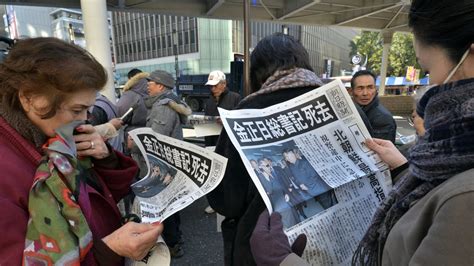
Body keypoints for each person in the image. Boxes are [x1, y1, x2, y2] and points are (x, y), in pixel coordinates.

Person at [250, 0, 474, 265]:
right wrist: (405, 170)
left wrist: (283, 262)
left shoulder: (465, 199)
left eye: (429, 70)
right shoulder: (451, 158)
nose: (429, 90)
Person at [0, 37, 163, 265]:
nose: (84, 119)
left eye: (88, 109)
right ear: (29, 98)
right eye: (77, 109)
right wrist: (108, 251)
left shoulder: (56, 137)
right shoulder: (8, 164)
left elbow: (105, 196)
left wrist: (105, 158)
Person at [145, 69, 192, 258]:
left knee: (165, 207)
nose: (147, 86)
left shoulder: (163, 107)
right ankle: (176, 239)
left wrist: (133, 145)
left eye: (151, 83)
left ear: (160, 86)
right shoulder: (168, 103)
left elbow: (156, 140)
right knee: (171, 204)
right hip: (169, 164)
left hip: (163, 165)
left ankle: (173, 243)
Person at [349, 70, 397, 143]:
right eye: (360, 88)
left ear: (375, 90)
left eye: (370, 87)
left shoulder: (383, 118)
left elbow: (382, 151)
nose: (365, 93)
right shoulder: (351, 109)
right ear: (351, 91)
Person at [203, 70, 241, 147]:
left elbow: (241, 121)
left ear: (224, 84)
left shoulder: (235, 98)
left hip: (228, 143)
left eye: (215, 85)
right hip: (212, 143)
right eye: (210, 86)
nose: (213, 89)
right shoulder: (209, 100)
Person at [116, 68, 149, 154]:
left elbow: (119, 113)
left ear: (131, 79)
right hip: (150, 133)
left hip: (133, 135)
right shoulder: (152, 90)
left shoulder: (130, 95)